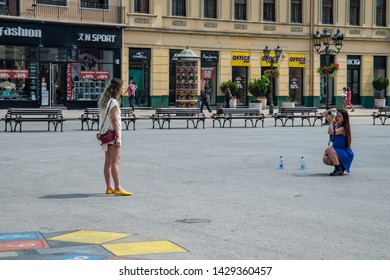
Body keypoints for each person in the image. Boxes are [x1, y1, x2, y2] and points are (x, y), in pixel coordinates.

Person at [98, 78, 132, 196]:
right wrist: (118, 137)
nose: (122, 90)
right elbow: (116, 120)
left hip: (104, 134)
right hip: (112, 134)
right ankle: (118, 187)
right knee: (115, 162)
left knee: (107, 161)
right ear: (118, 89)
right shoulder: (113, 102)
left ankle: (109, 187)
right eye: (121, 88)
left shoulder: (104, 101)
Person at [322, 108, 354, 176]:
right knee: (325, 159)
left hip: (345, 152)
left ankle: (338, 169)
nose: (337, 118)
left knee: (329, 149)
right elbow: (324, 114)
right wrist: (332, 110)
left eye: (340, 117)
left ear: (344, 119)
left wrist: (331, 122)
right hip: (337, 150)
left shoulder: (343, 129)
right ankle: (341, 166)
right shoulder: (335, 125)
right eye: (337, 116)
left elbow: (330, 132)